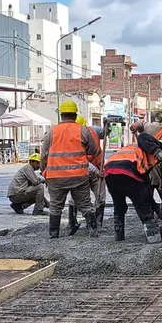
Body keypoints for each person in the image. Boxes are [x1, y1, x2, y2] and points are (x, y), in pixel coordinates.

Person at [41, 100, 101, 238]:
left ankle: (54, 233)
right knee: (85, 204)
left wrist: (45, 172)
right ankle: (93, 231)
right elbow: (93, 149)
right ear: (75, 115)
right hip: (78, 175)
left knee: (55, 206)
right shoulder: (82, 130)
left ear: (61, 115)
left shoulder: (52, 131)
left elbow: (43, 155)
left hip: (55, 177)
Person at [104, 132, 162, 243]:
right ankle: (153, 237)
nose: (157, 162)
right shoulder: (147, 145)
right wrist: (157, 151)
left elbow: (146, 188)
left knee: (119, 205)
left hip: (110, 172)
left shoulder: (136, 152)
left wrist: (157, 209)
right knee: (143, 205)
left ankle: (119, 235)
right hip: (127, 170)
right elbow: (142, 135)